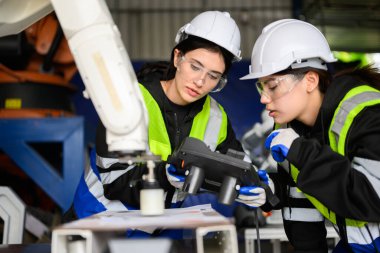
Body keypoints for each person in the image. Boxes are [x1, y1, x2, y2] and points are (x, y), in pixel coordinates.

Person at [64, 11, 268, 227]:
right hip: (100, 221)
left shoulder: (216, 117)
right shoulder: (129, 102)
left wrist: (259, 186)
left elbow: (237, 165)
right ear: (178, 58)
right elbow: (113, 181)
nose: (200, 81)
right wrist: (164, 175)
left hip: (162, 225)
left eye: (213, 76)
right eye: (195, 66)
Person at [241, 19, 380, 252]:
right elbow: (303, 200)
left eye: (273, 86)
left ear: (310, 80)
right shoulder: (287, 132)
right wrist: (274, 190)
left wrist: (303, 153)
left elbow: (373, 196)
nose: (264, 98)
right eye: (261, 86)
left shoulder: (366, 113)